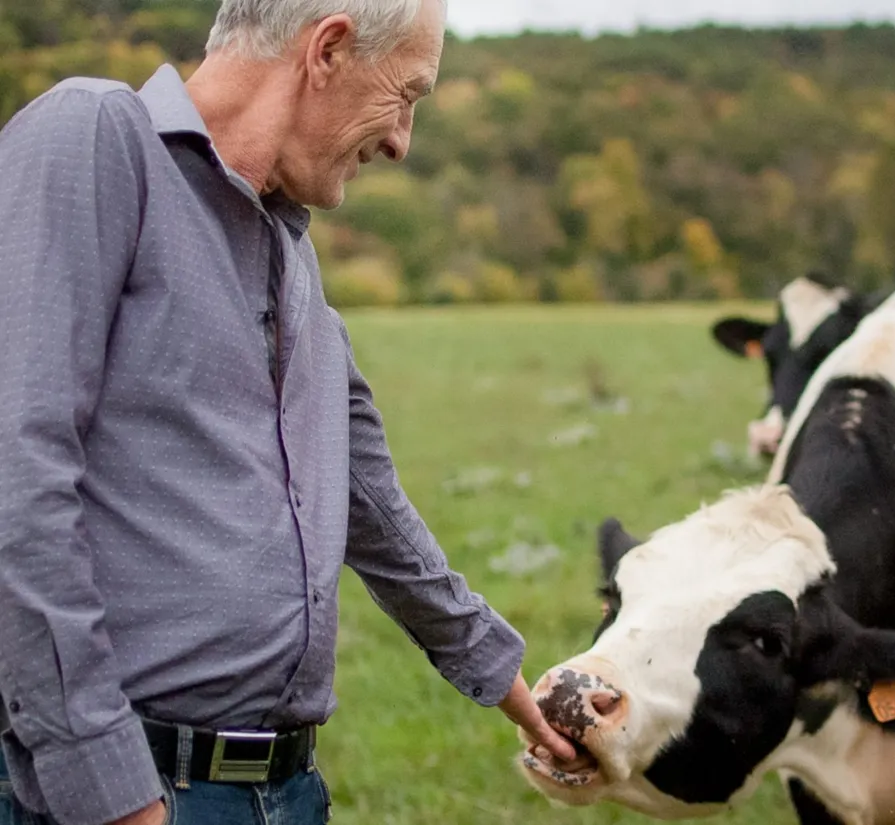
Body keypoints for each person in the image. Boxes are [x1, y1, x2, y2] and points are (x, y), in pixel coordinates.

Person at [0, 1, 575, 823]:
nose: (401, 140)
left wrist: (510, 682)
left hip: (285, 792)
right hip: (128, 793)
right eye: (406, 94)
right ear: (329, 49)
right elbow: (16, 476)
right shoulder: (94, 138)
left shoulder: (290, 249)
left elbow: (369, 500)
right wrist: (116, 795)